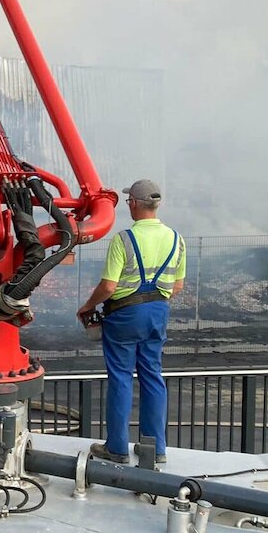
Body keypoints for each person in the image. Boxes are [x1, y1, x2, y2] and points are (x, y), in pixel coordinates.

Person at [77, 179, 186, 466]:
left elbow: (109, 286)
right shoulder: (176, 239)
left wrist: (88, 306)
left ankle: (117, 448)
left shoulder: (123, 239)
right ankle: (155, 448)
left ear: (134, 204)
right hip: (158, 312)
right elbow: (177, 286)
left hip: (124, 315)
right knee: (152, 375)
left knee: (121, 377)